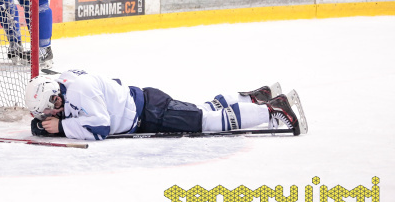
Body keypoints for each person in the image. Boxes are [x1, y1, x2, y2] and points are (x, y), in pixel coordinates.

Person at [26, 72, 306, 141]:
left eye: (50, 111)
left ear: (56, 98)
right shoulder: (67, 82)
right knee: (201, 108)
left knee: (203, 122)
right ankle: (253, 97)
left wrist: (62, 127)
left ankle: (272, 109)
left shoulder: (79, 93)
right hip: (147, 103)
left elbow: (100, 127)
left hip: (151, 113)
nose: (50, 115)